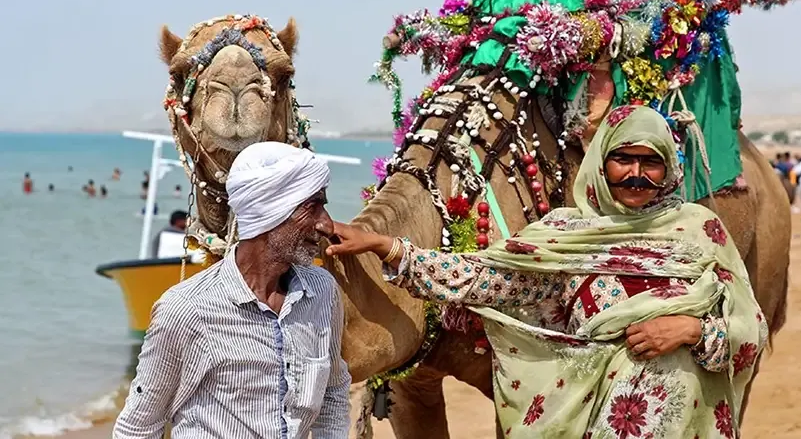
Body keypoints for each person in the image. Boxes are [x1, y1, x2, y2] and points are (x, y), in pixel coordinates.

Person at [329, 105, 766, 438]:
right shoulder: (564, 235)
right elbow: (482, 277)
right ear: (601, 164)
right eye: (623, 160)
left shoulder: (700, 230)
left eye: (650, 162)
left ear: (669, 167)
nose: (636, 175)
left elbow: (751, 332)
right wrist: (387, 247)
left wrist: (692, 330)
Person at [114, 142, 350, 438]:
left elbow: (334, 391)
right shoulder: (187, 310)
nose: (327, 225)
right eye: (312, 207)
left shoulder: (323, 292)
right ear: (269, 215)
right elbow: (138, 427)